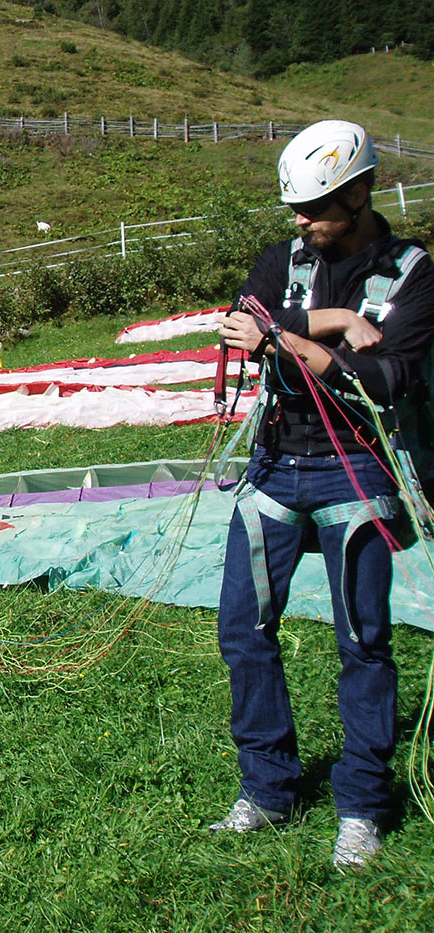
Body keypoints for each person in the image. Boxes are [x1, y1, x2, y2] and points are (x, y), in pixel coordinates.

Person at [212, 120, 434, 870]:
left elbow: (382, 378)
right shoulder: (283, 259)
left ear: (360, 192)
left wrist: (291, 337)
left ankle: (363, 807)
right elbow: (242, 326)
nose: (300, 222)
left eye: (316, 208)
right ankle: (268, 788)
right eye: (297, 209)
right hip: (276, 465)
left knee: (363, 644)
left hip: (358, 473)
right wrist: (335, 325)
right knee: (244, 631)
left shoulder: (412, 274)